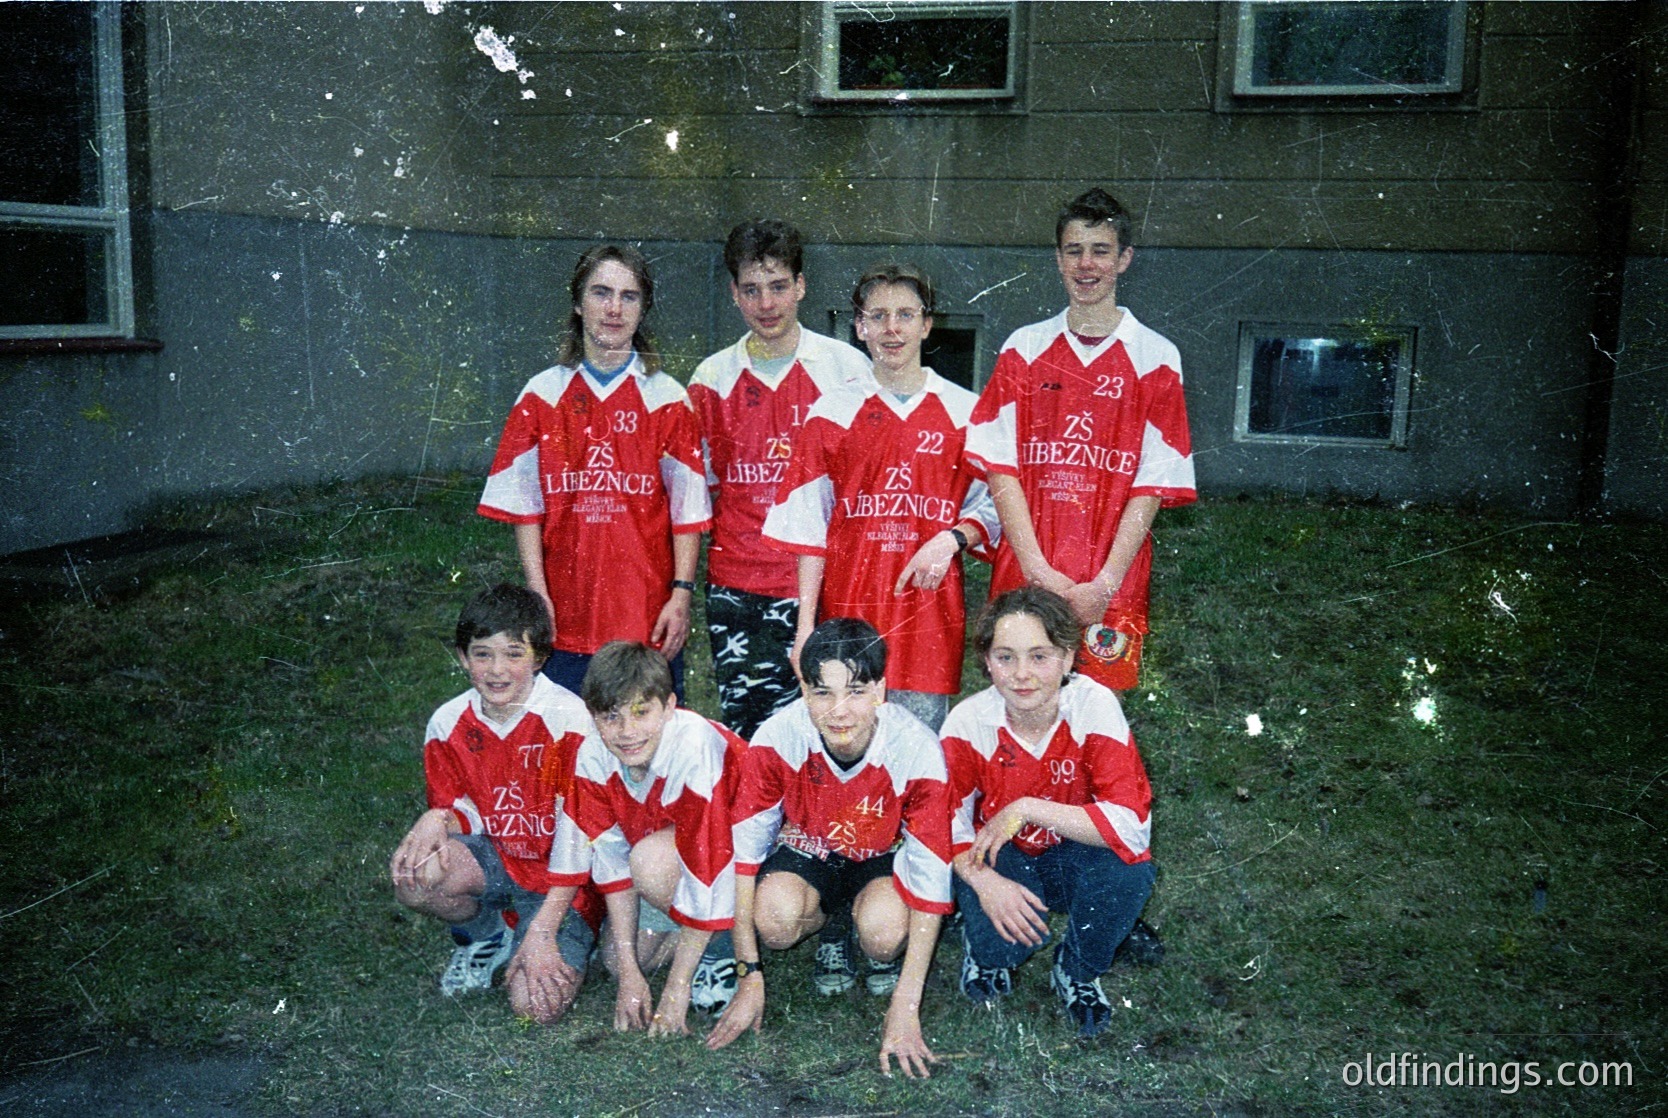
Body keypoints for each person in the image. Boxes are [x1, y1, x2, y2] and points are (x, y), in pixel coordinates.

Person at [964, 188, 1195, 693]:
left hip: (1108, 585)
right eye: (1074, 250)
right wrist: (1038, 571)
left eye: (1101, 250)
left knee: (1094, 720)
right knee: (1018, 706)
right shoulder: (1023, 348)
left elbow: (1152, 485)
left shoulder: (1157, 357)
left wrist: (1105, 583)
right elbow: (1000, 470)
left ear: (1125, 259)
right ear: (1057, 258)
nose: (1086, 264)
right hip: (1028, 575)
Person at [711, 618, 952, 1079]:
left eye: (856, 691)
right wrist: (748, 974)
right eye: (822, 692)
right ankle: (832, 924)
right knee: (775, 924)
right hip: (811, 850)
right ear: (803, 690)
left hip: (881, 855)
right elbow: (742, 863)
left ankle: (855, 922)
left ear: (881, 690)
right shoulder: (777, 738)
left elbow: (932, 879)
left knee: (883, 939)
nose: (839, 710)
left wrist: (906, 1005)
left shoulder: (916, 749)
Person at [763, 263, 998, 732]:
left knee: (917, 755)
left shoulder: (965, 412)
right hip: (849, 615)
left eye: (906, 315)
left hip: (927, 619)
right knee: (846, 750)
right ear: (860, 326)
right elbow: (811, 530)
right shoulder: (830, 412)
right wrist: (805, 626)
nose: (892, 329)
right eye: (878, 316)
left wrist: (950, 539)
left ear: (927, 324)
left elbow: (996, 507)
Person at [478, 244, 711, 699]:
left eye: (629, 296)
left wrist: (680, 595)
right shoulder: (541, 396)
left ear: (643, 310)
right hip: (564, 619)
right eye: (601, 292)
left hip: (645, 619)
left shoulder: (666, 398)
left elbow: (687, 514)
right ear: (577, 302)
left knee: (646, 746)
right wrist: (537, 594)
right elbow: (527, 510)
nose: (613, 308)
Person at [942, 588, 1156, 1038]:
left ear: (1067, 657)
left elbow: (1132, 827)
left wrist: (1026, 808)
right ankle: (981, 950)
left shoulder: (1093, 706)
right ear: (986, 661)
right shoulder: (968, 721)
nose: (1022, 675)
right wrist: (982, 881)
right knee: (1004, 947)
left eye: (1039, 656)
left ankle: (1076, 969)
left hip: (1070, 852)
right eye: (1005, 657)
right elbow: (941, 820)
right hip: (1001, 856)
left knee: (1130, 871)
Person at [690, 220, 874, 740]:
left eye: (777, 286)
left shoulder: (846, 370)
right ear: (734, 293)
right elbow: (697, 490)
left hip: (823, 584)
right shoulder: (710, 378)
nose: (765, 303)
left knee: (830, 728)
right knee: (752, 737)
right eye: (751, 289)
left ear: (801, 285)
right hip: (739, 585)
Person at [389, 583, 604, 1023]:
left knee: (535, 1009)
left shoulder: (568, 719)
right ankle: (487, 937)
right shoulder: (448, 722)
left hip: (567, 883)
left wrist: (544, 929)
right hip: (504, 858)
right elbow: (466, 807)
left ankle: (557, 934)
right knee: (415, 874)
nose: (497, 669)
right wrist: (437, 817)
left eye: (513, 653)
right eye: (482, 654)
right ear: (462, 657)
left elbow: (579, 835)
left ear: (540, 657)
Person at [514, 641, 743, 1035]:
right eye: (611, 717)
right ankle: (698, 933)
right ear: (593, 717)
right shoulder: (592, 755)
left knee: (650, 862)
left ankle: (721, 950)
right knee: (620, 959)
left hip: (739, 858)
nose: (627, 731)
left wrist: (676, 988)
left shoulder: (693, 748)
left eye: (642, 712)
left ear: (670, 707)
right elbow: (613, 867)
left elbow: (709, 869)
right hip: (675, 857)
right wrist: (630, 977)